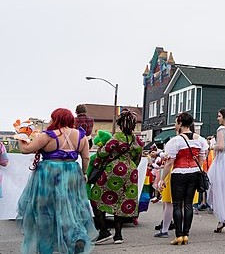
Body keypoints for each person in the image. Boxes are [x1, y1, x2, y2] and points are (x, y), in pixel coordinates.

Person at [17, 108, 95, 254]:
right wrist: (84, 173)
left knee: (45, 213)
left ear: (56, 119)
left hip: (48, 175)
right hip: (72, 174)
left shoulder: (48, 136)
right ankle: (75, 237)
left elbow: (26, 149)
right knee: (71, 209)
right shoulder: (81, 136)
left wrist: (22, 137)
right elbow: (86, 157)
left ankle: (46, 248)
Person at [89, 110, 143, 245]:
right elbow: (138, 159)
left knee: (96, 197)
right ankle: (118, 235)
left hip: (113, 170)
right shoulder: (137, 141)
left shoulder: (116, 138)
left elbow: (102, 154)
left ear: (120, 124)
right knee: (121, 201)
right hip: (131, 172)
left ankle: (104, 231)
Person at [159, 112, 209, 245]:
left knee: (177, 205)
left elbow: (169, 162)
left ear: (180, 123)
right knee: (188, 204)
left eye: (176, 122)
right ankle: (186, 234)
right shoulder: (201, 140)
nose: (175, 125)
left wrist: (162, 179)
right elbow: (202, 159)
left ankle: (178, 235)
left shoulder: (175, 141)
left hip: (179, 173)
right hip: (194, 173)